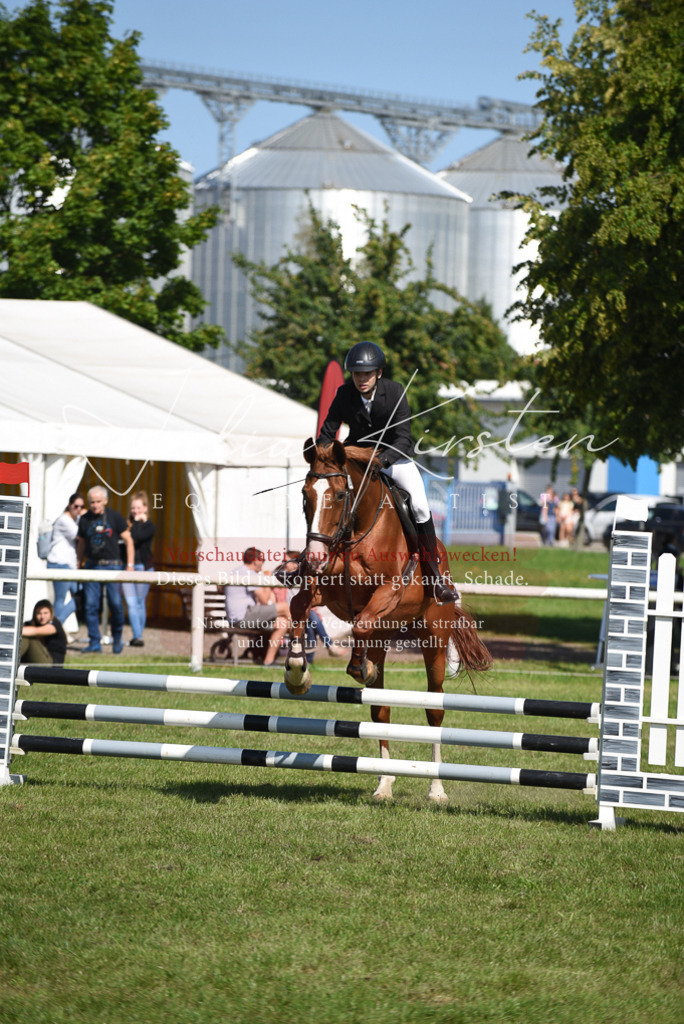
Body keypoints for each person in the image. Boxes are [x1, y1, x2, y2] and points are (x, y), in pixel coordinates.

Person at [315, 341, 456, 603]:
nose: (362, 379)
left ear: (378, 373)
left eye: (367, 374)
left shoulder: (395, 392)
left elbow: (403, 438)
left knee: (420, 507)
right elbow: (326, 433)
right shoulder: (344, 394)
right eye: (357, 374)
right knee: (325, 495)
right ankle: (310, 562)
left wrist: (382, 460)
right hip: (357, 458)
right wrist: (322, 459)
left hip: (394, 459)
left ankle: (433, 576)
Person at [76, 486, 134, 654]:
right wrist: (78, 563)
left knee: (116, 604)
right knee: (90, 605)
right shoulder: (84, 519)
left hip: (112, 565)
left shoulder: (115, 516)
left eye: (98, 501)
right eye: (92, 502)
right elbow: (81, 543)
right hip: (91, 565)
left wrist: (130, 565)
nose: (95, 505)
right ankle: (95, 642)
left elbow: (128, 540)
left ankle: (117, 638)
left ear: (106, 501)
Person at [225, 547, 291, 666]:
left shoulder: (237, 571)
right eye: (263, 560)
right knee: (285, 607)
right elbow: (264, 600)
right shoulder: (248, 574)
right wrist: (267, 580)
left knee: (282, 623)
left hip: (239, 617)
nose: (263, 563)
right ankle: (299, 638)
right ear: (255, 561)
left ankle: (268, 661)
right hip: (243, 616)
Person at [46, 493, 84, 634]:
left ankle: (56, 625)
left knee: (82, 594)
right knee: (60, 599)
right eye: (76, 506)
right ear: (69, 505)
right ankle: (53, 629)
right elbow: (80, 535)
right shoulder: (64, 519)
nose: (79, 509)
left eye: (81, 507)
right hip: (59, 562)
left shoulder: (74, 519)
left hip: (69, 565)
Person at [121, 491, 155, 648]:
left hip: (144, 567)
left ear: (146, 508)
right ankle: (137, 635)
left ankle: (138, 635)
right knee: (131, 602)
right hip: (128, 567)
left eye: (138, 508)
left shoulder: (150, 526)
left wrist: (135, 523)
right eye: (133, 508)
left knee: (140, 602)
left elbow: (136, 537)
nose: (135, 511)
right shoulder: (126, 525)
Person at [20, 600, 67, 665]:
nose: (42, 617)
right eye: (38, 613)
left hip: (51, 664)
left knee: (28, 637)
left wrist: (14, 631)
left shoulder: (55, 624)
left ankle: (10, 660)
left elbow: (35, 631)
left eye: (45, 613)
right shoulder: (30, 623)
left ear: (51, 613)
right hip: (32, 660)